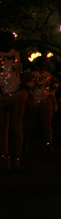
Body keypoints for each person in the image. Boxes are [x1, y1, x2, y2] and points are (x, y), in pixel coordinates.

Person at [0, 30, 28, 170]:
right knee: (2, 128)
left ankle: (16, 157)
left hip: (16, 93)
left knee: (16, 126)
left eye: (11, 40)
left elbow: (35, 69)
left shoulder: (17, 55)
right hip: (1, 94)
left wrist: (23, 81)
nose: (9, 42)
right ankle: (5, 158)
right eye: (7, 39)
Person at [24, 56, 59, 154]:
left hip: (45, 100)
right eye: (43, 63)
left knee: (47, 124)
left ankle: (48, 144)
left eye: (46, 63)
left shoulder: (48, 75)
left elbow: (56, 82)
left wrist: (52, 91)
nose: (45, 65)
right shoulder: (32, 74)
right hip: (33, 100)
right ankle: (24, 143)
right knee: (29, 123)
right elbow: (24, 83)